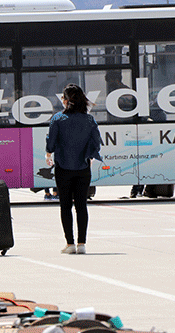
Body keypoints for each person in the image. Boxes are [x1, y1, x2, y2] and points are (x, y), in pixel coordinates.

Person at [45, 84, 103, 255]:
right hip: (83, 167)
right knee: (81, 205)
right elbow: (96, 143)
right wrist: (90, 157)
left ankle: (69, 244)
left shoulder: (57, 119)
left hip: (63, 167)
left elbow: (51, 143)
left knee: (65, 206)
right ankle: (82, 243)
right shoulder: (89, 120)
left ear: (65, 100)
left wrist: (48, 154)